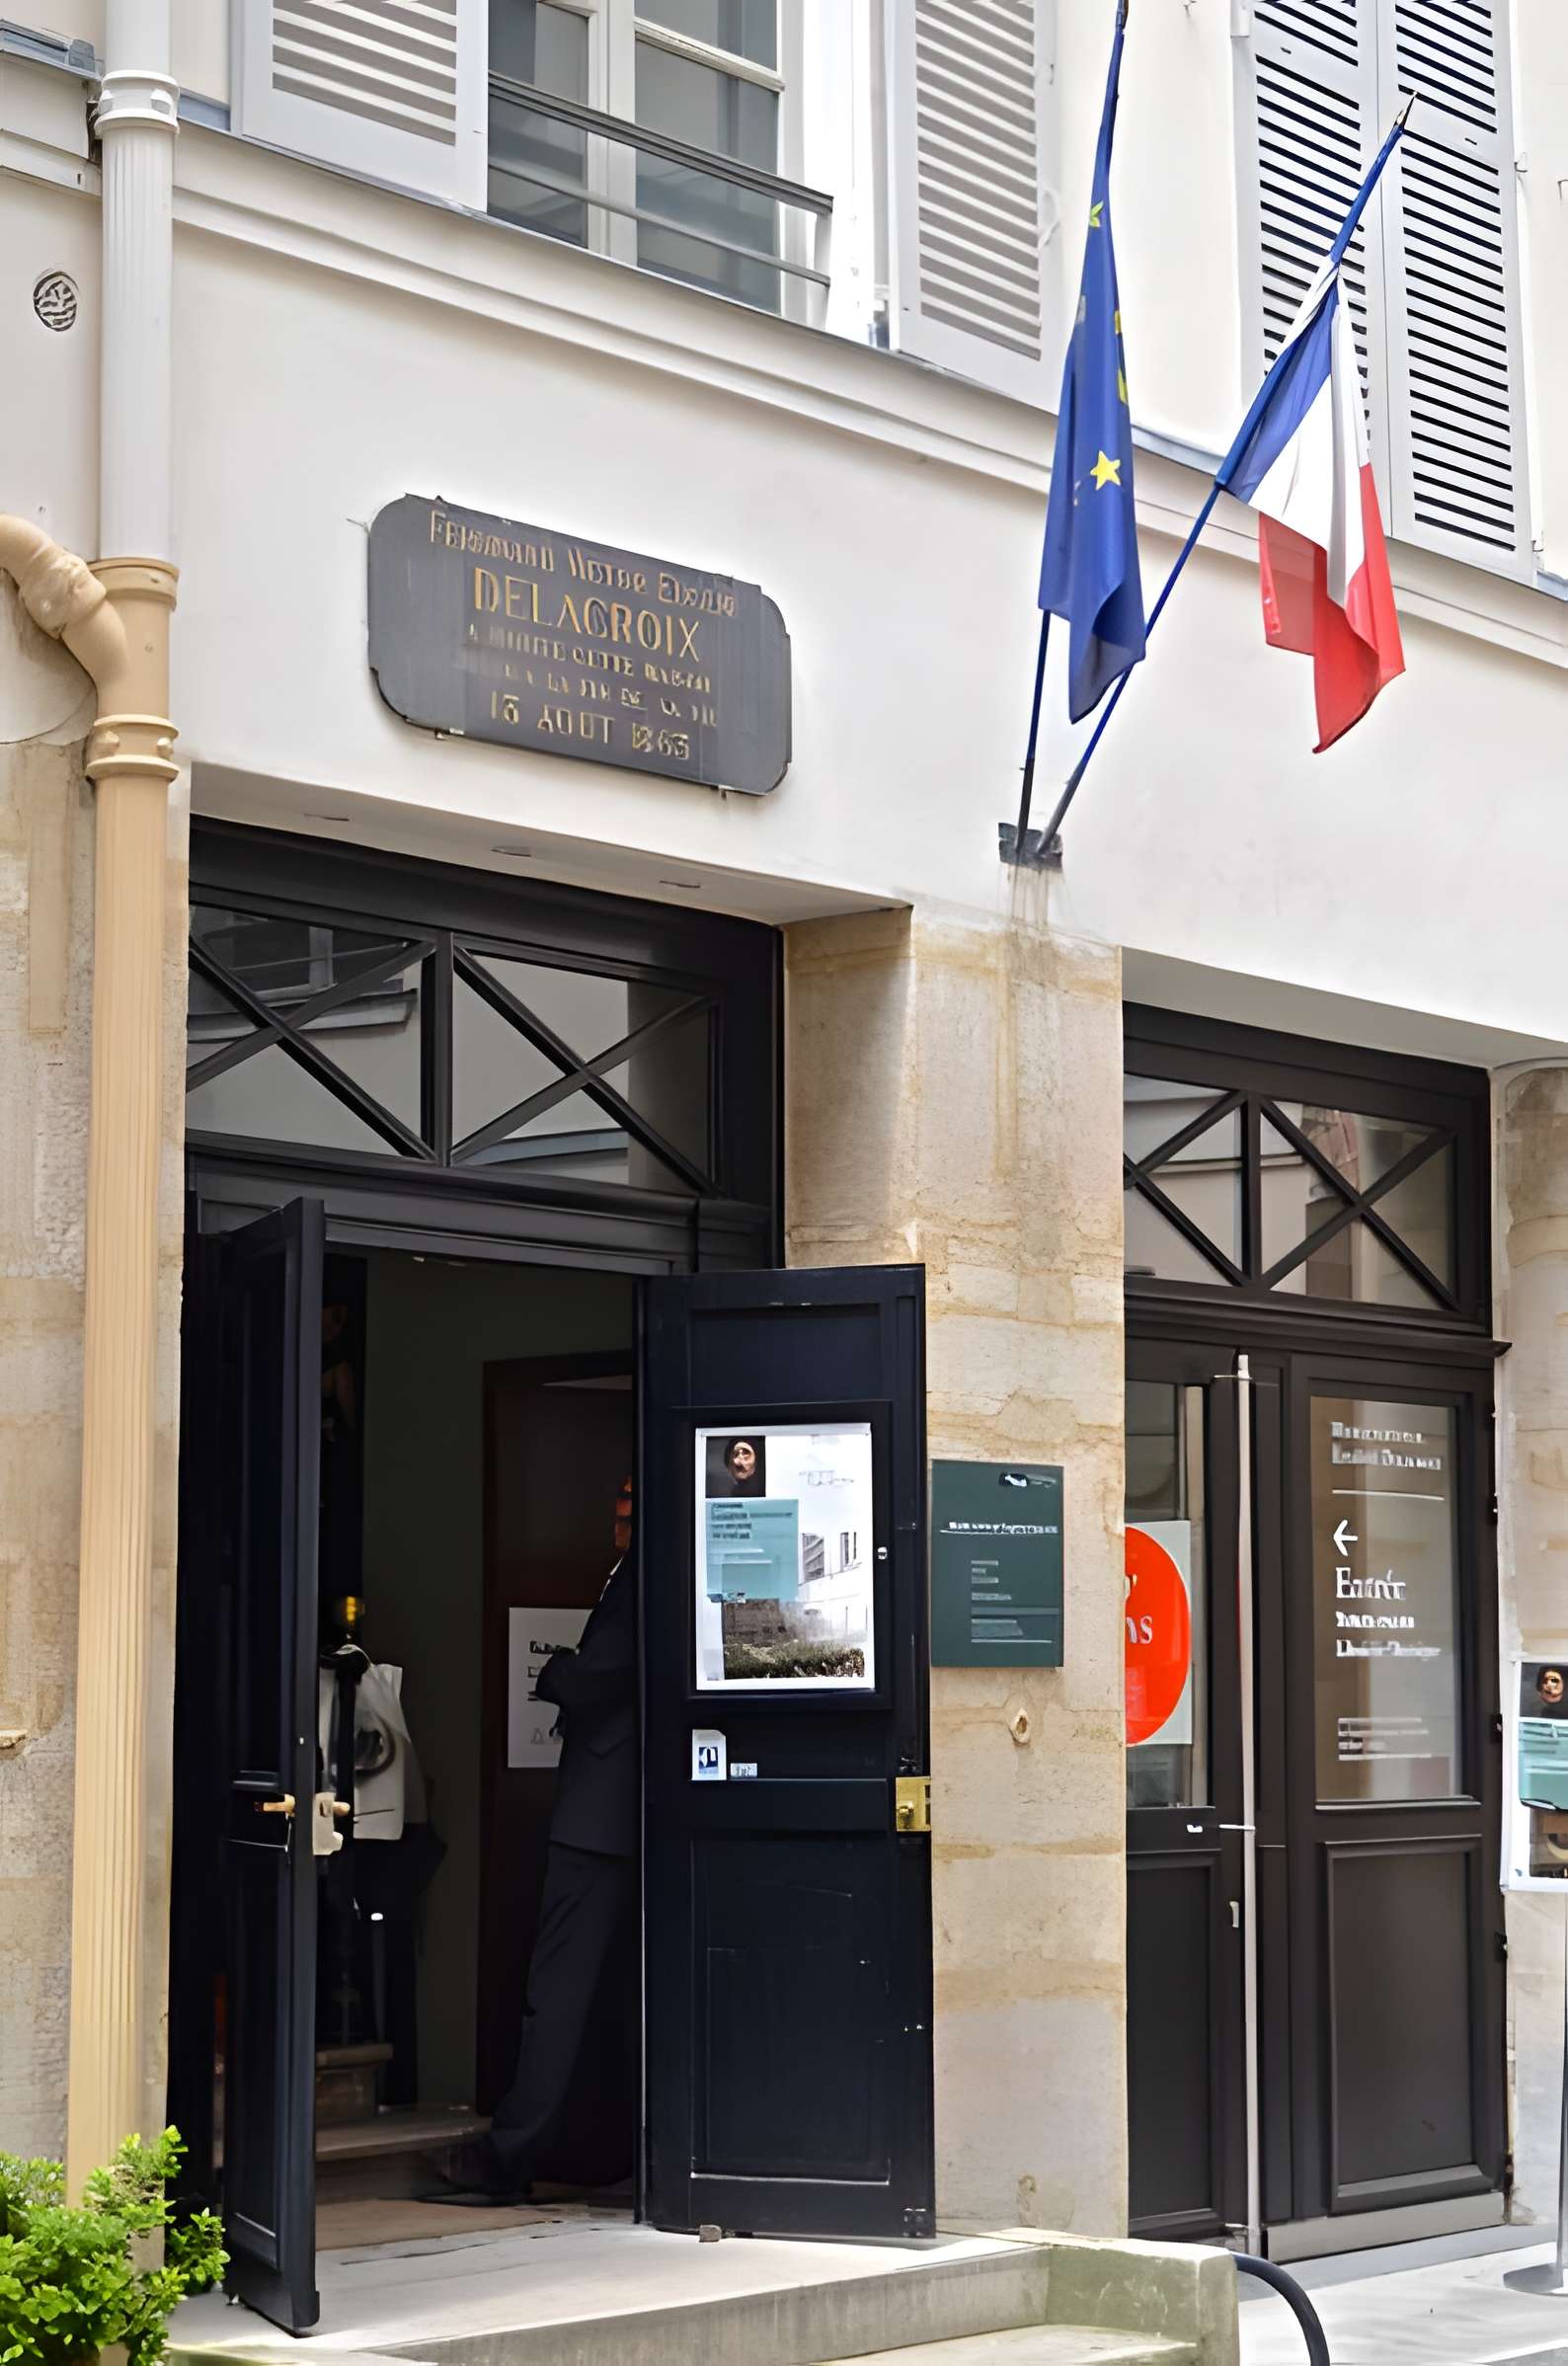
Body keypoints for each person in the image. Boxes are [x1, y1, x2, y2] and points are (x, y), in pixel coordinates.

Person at [436, 1475, 638, 2202]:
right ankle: (590, 2149)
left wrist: (557, 1671)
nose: (615, 1509)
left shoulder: (647, 1571)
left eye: (627, 1498)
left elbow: (600, 1676)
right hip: (619, 1819)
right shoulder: (641, 1568)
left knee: (558, 1994)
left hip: (601, 1824)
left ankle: (513, 2156)